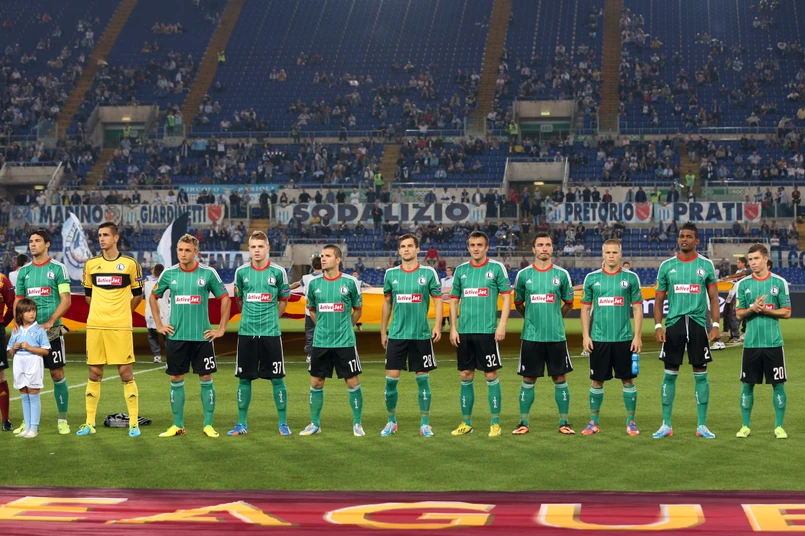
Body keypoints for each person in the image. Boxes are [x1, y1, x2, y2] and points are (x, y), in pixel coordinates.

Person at [150, 234, 231, 438]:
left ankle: (208, 425)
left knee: (206, 378)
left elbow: (225, 298)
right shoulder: (169, 274)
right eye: (180, 250)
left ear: (196, 252)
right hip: (176, 337)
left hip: (202, 337)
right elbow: (153, 297)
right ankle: (177, 425)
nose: (183, 254)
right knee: (176, 378)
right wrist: (159, 324)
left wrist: (221, 329)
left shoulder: (208, 273)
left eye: (187, 250)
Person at [653, 222, 720, 439]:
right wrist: (658, 325)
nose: (684, 239)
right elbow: (658, 300)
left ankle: (702, 426)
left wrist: (716, 325)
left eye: (689, 236)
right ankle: (666, 425)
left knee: (701, 374)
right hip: (674, 325)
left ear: (696, 241)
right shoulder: (667, 266)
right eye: (682, 236)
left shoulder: (706, 265)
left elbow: (713, 298)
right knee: (669, 374)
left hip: (698, 324)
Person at [77, 222, 144, 437]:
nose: (101, 238)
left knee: (126, 373)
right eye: (99, 235)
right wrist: (101, 312)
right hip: (96, 325)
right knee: (94, 373)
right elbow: (88, 296)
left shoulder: (131, 264)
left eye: (106, 235)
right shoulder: (91, 265)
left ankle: (133, 423)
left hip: (120, 326)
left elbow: (138, 295)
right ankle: (89, 423)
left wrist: (123, 312)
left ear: (116, 238)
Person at [448, 231, 511, 437]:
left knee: (490, 374)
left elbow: (507, 298)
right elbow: (454, 301)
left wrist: (502, 325)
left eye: (480, 245)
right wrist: (453, 328)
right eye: (472, 245)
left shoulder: (496, 268)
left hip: (487, 332)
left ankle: (495, 423)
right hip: (465, 332)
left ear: (487, 247)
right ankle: (466, 423)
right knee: (465, 374)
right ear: (468, 247)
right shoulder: (461, 270)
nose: (476, 248)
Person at [228, 232, 291, 437]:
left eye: (260, 246)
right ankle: (241, 424)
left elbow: (283, 301)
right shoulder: (241, 272)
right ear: (249, 249)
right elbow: (239, 300)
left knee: (277, 379)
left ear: (268, 248)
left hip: (271, 334)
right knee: (244, 379)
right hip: (247, 333)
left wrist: (272, 318)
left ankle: (283, 423)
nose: (256, 250)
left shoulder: (278, 272)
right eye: (253, 246)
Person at [379, 234, 442, 437]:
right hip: (397, 335)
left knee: (423, 380)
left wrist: (438, 325)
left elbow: (438, 300)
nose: (406, 249)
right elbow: (387, 304)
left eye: (409, 246)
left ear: (417, 249)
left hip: (421, 335)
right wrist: (383, 331)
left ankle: (425, 424)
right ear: (399, 250)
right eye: (402, 246)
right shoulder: (391, 274)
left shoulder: (428, 272)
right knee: (390, 381)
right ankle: (391, 421)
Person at [511, 232, 575, 435]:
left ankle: (564, 422)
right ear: (533, 249)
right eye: (540, 245)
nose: (544, 248)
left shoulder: (562, 275)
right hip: (531, 337)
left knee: (560, 378)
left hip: (556, 336)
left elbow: (569, 303)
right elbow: (518, 303)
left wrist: (556, 317)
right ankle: (523, 423)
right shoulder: (523, 275)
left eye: (547, 244)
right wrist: (530, 318)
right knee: (528, 379)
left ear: (552, 248)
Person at [299, 244, 365, 437]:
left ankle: (357, 423)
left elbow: (358, 310)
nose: (323, 259)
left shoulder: (350, 282)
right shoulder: (314, 284)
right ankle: (315, 424)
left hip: (345, 342)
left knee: (352, 381)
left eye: (327, 256)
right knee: (316, 382)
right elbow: (311, 309)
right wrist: (321, 326)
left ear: (338, 260)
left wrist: (347, 325)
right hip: (320, 342)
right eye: (322, 256)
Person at [580, 240, 643, 436]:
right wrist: (586, 336)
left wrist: (637, 336)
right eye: (608, 252)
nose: (611, 256)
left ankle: (631, 422)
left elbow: (637, 309)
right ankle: (593, 422)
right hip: (599, 339)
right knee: (597, 381)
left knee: (628, 380)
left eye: (615, 252)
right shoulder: (592, 278)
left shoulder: (630, 278)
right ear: (603, 254)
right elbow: (585, 309)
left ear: (620, 254)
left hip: (624, 339)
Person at [13, 229, 71, 435]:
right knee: (25, 380)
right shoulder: (24, 271)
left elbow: (66, 299)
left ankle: (62, 420)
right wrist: (17, 323)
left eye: (37, 240)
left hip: (51, 332)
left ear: (47, 244)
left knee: (57, 373)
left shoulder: (58, 268)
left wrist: (51, 320)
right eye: (31, 241)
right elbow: (18, 299)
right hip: (28, 334)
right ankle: (27, 422)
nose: (33, 244)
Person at [735, 244, 790, 439]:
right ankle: (745, 426)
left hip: (774, 343)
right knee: (747, 385)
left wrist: (766, 310)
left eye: (756, 258)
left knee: (778, 385)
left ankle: (779, 427)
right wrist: (752, 309)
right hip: (751, 344)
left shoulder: (779, 283)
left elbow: (787, 312)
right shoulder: (743, 285)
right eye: (750, 259)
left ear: (766, 259)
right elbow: (739, 314)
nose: (753, 263)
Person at [7, 299, 50, 438]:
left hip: (33, 362)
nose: (32, 314)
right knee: (23, 392)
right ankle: (27, 427)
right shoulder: (16, 330)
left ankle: (34, 428)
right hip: (19, 362)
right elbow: (10, 351)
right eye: (28, 311)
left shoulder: (39, 330)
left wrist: (30, 347)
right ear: (21, 314)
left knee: (33, 392)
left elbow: (46, 350)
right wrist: (14, 348)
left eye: (34, 310)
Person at [290, 256, 322, 364]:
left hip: (309, 311)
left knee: (310, 332)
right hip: (324, 310)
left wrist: (285, 288)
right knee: (324, 331)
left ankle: (310, 355)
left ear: (312, 266)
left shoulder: (306, 278)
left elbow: (296, 284)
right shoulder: (327, 277)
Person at [144, 264, 170, 364]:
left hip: (150, 312)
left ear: (153, 273)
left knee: (152, 335)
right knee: (167, 336)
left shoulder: (147, 284)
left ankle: (156, 356)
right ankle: (170, 356)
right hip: (164, 312)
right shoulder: (167, 283)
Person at [720, 256, 749, 344]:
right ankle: (732, 334)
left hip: (739, 295)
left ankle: (737, 336)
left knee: (734, 316)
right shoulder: (738, 271)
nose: (737, 264)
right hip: (732, 294)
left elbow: (740, 278)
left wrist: (729, 278)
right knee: (729, 314)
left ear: (743, 263)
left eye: (739, 262)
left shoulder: (747, 271)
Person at [0, 270, 14, 431]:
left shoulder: (2, 280)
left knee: (0, 376)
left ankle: (5, 419)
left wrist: (3, 323)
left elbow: (12, 305)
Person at [440, 266, 454, 331]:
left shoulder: (454, 279)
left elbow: (452, 289)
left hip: (450, 298)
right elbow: (440, 288)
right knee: (442, 312)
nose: (447, 272)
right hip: (443, 298)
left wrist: (442, 292)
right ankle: (442, 325)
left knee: (449, 312)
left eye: (449, 271)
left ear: (451, 272)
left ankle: (451, 325)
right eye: (447, 271)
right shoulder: (442, 280)